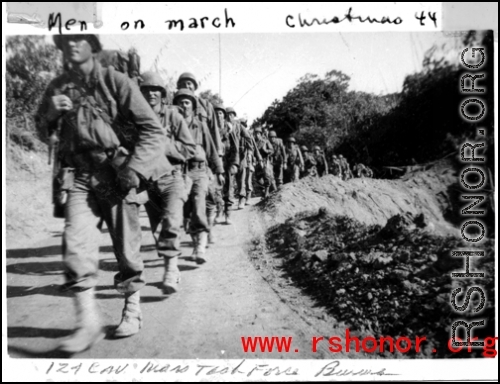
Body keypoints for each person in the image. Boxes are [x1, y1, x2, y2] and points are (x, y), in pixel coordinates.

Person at [36, 34, 172, 352]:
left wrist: (134, 170)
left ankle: (133, 310)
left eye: (79, 38)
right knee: (76, 243)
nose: (71, 43)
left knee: (126, 248)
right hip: (78, 176)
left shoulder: (115, 81)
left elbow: (153, 130)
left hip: (114, 173)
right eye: (66, 39)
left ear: (93, 46)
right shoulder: (57, 86)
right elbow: (42, 131)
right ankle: (88, 323)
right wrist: (50, 115)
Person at [139, 71, 196, 294]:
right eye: (146, 89)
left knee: (172, 223)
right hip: (147, 182)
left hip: (172, 178)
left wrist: (166, 147)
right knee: (156, 231)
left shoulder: (173, 117)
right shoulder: (136, 118)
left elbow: (190, 148)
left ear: (163, 94)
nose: (151, 93)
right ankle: (170, 263)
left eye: (156, 90)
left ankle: (171, 270)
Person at [173, 89, 224, 264]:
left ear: (193, 107)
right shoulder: (172, 126)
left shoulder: (200, 126)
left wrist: (219, 171)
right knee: (186, 211)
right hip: (180, 172)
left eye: (187, 102)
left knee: (198, 203)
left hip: (199, 171)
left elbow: (211, 149)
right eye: (180, 102)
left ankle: (200, 247)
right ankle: (196, 244)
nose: (183, 105)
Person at [227, 107, 258, 209]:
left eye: (231, 114)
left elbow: (249, 138)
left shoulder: (239, 126)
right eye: (227, 114)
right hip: (229, 157)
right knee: (229, 180)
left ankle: (242, 198)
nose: (229, 116)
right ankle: (229, 201)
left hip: (241, 156)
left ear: (234, 115)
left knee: (241, 179)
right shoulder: (223, 127)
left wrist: (249, 151)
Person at [214, 104, 239, 224]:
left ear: (224, 115)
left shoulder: (229, 129)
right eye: (216, 113)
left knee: (229, 187)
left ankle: (228, 213)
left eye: (220, 113)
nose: (218, 115)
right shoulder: (211, 129)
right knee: (216, 188)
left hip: (228, 162)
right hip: (216, 163)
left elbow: (235, 148)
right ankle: (219, 211)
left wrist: (235, 164)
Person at [253, 127, 274, 199]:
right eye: (255, 134)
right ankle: (263, 190)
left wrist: (266, 151)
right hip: (258, 162)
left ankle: (267, 192)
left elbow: (272, 150)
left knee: (266, 176)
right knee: (258, 178)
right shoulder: (254, 143)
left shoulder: (265, 141)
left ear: (261, 134)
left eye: (258, 133)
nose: (257, 135)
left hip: (265, 160)